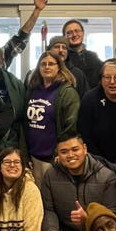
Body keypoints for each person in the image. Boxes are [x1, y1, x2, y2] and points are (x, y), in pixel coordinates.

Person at [23, 52, 79, 184]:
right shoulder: (33, 90)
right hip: (33, 158)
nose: (47, 67)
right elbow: (25, 123)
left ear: (59, 67)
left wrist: (61, 151)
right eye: (43, 64)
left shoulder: (67, 92)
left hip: (53, 159)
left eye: (51, 64)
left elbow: (71, 125)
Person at [62, 19, 103, 89]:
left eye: (77, 31)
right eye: (69, 33)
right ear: (64, 37)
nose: (74, 35)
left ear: (83, 33)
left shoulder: (93, 56)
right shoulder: (63, 58)